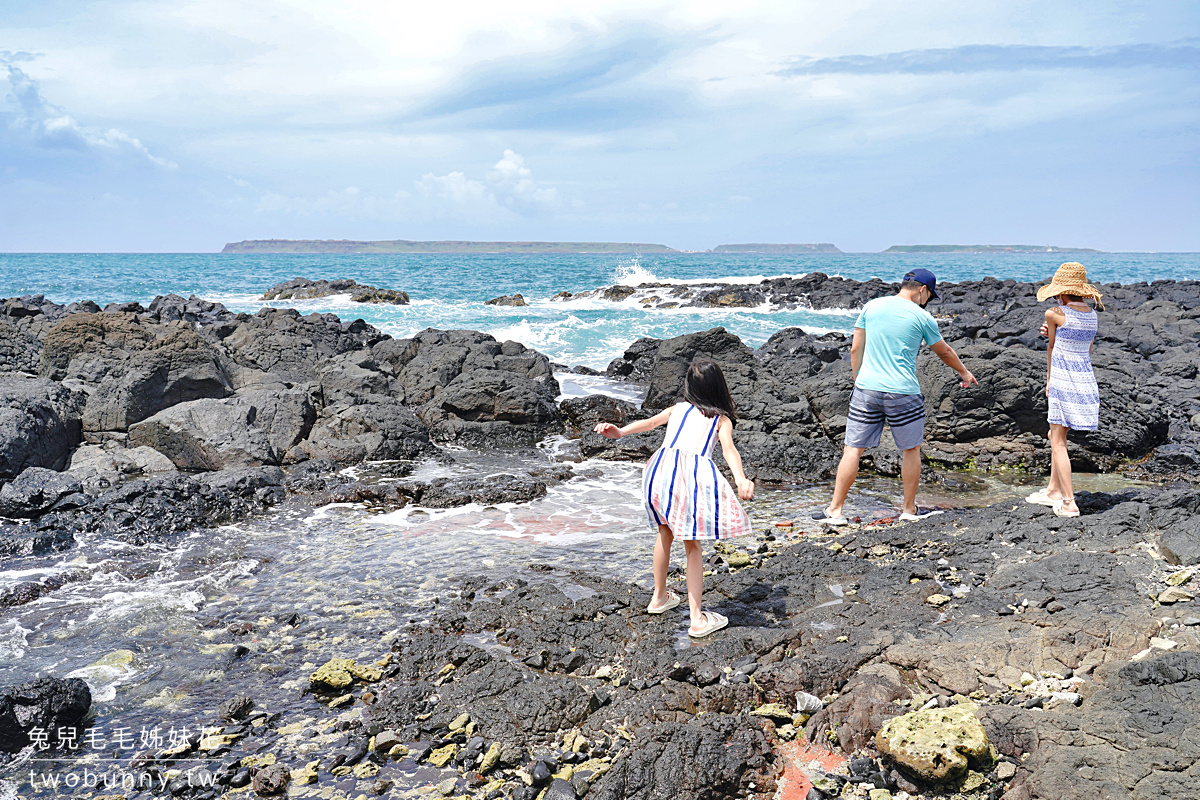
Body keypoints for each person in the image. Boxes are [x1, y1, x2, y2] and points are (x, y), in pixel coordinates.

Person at [594, 358, 754, 638]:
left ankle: (659, 598)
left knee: (664, 532)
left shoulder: (678, 409)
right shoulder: (720, 420)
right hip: (686, 478)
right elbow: (729, 451)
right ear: (719, 388)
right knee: (692, 545)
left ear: (689, 387)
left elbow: (649, 423)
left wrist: (620, 432)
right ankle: (697, 619)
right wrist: (740, 479)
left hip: (658, 471)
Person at [813, 268, 978, 525]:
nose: (928, 301)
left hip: (867, 388)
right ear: (923, 290)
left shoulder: (872, 306)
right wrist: (964, 372)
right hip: (902, 391)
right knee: (910, 450)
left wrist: (857, 376)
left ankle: (835, 511)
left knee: (853, 449)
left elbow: (856, 347)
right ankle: (909, 510)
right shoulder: (922, 317)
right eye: (930, 296)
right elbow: (943, 352)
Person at [1025, 262, 1104, 518]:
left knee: (1058, 442)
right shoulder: (1093, 316)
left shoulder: (1054, 314)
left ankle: (1069, 502)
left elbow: (1052, 349)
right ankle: (1052, 491)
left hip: (1062, 381)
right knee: (1054, 435)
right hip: (1085, 382)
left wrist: (1049, 380)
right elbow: (1086, 349)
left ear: (1061, 292)